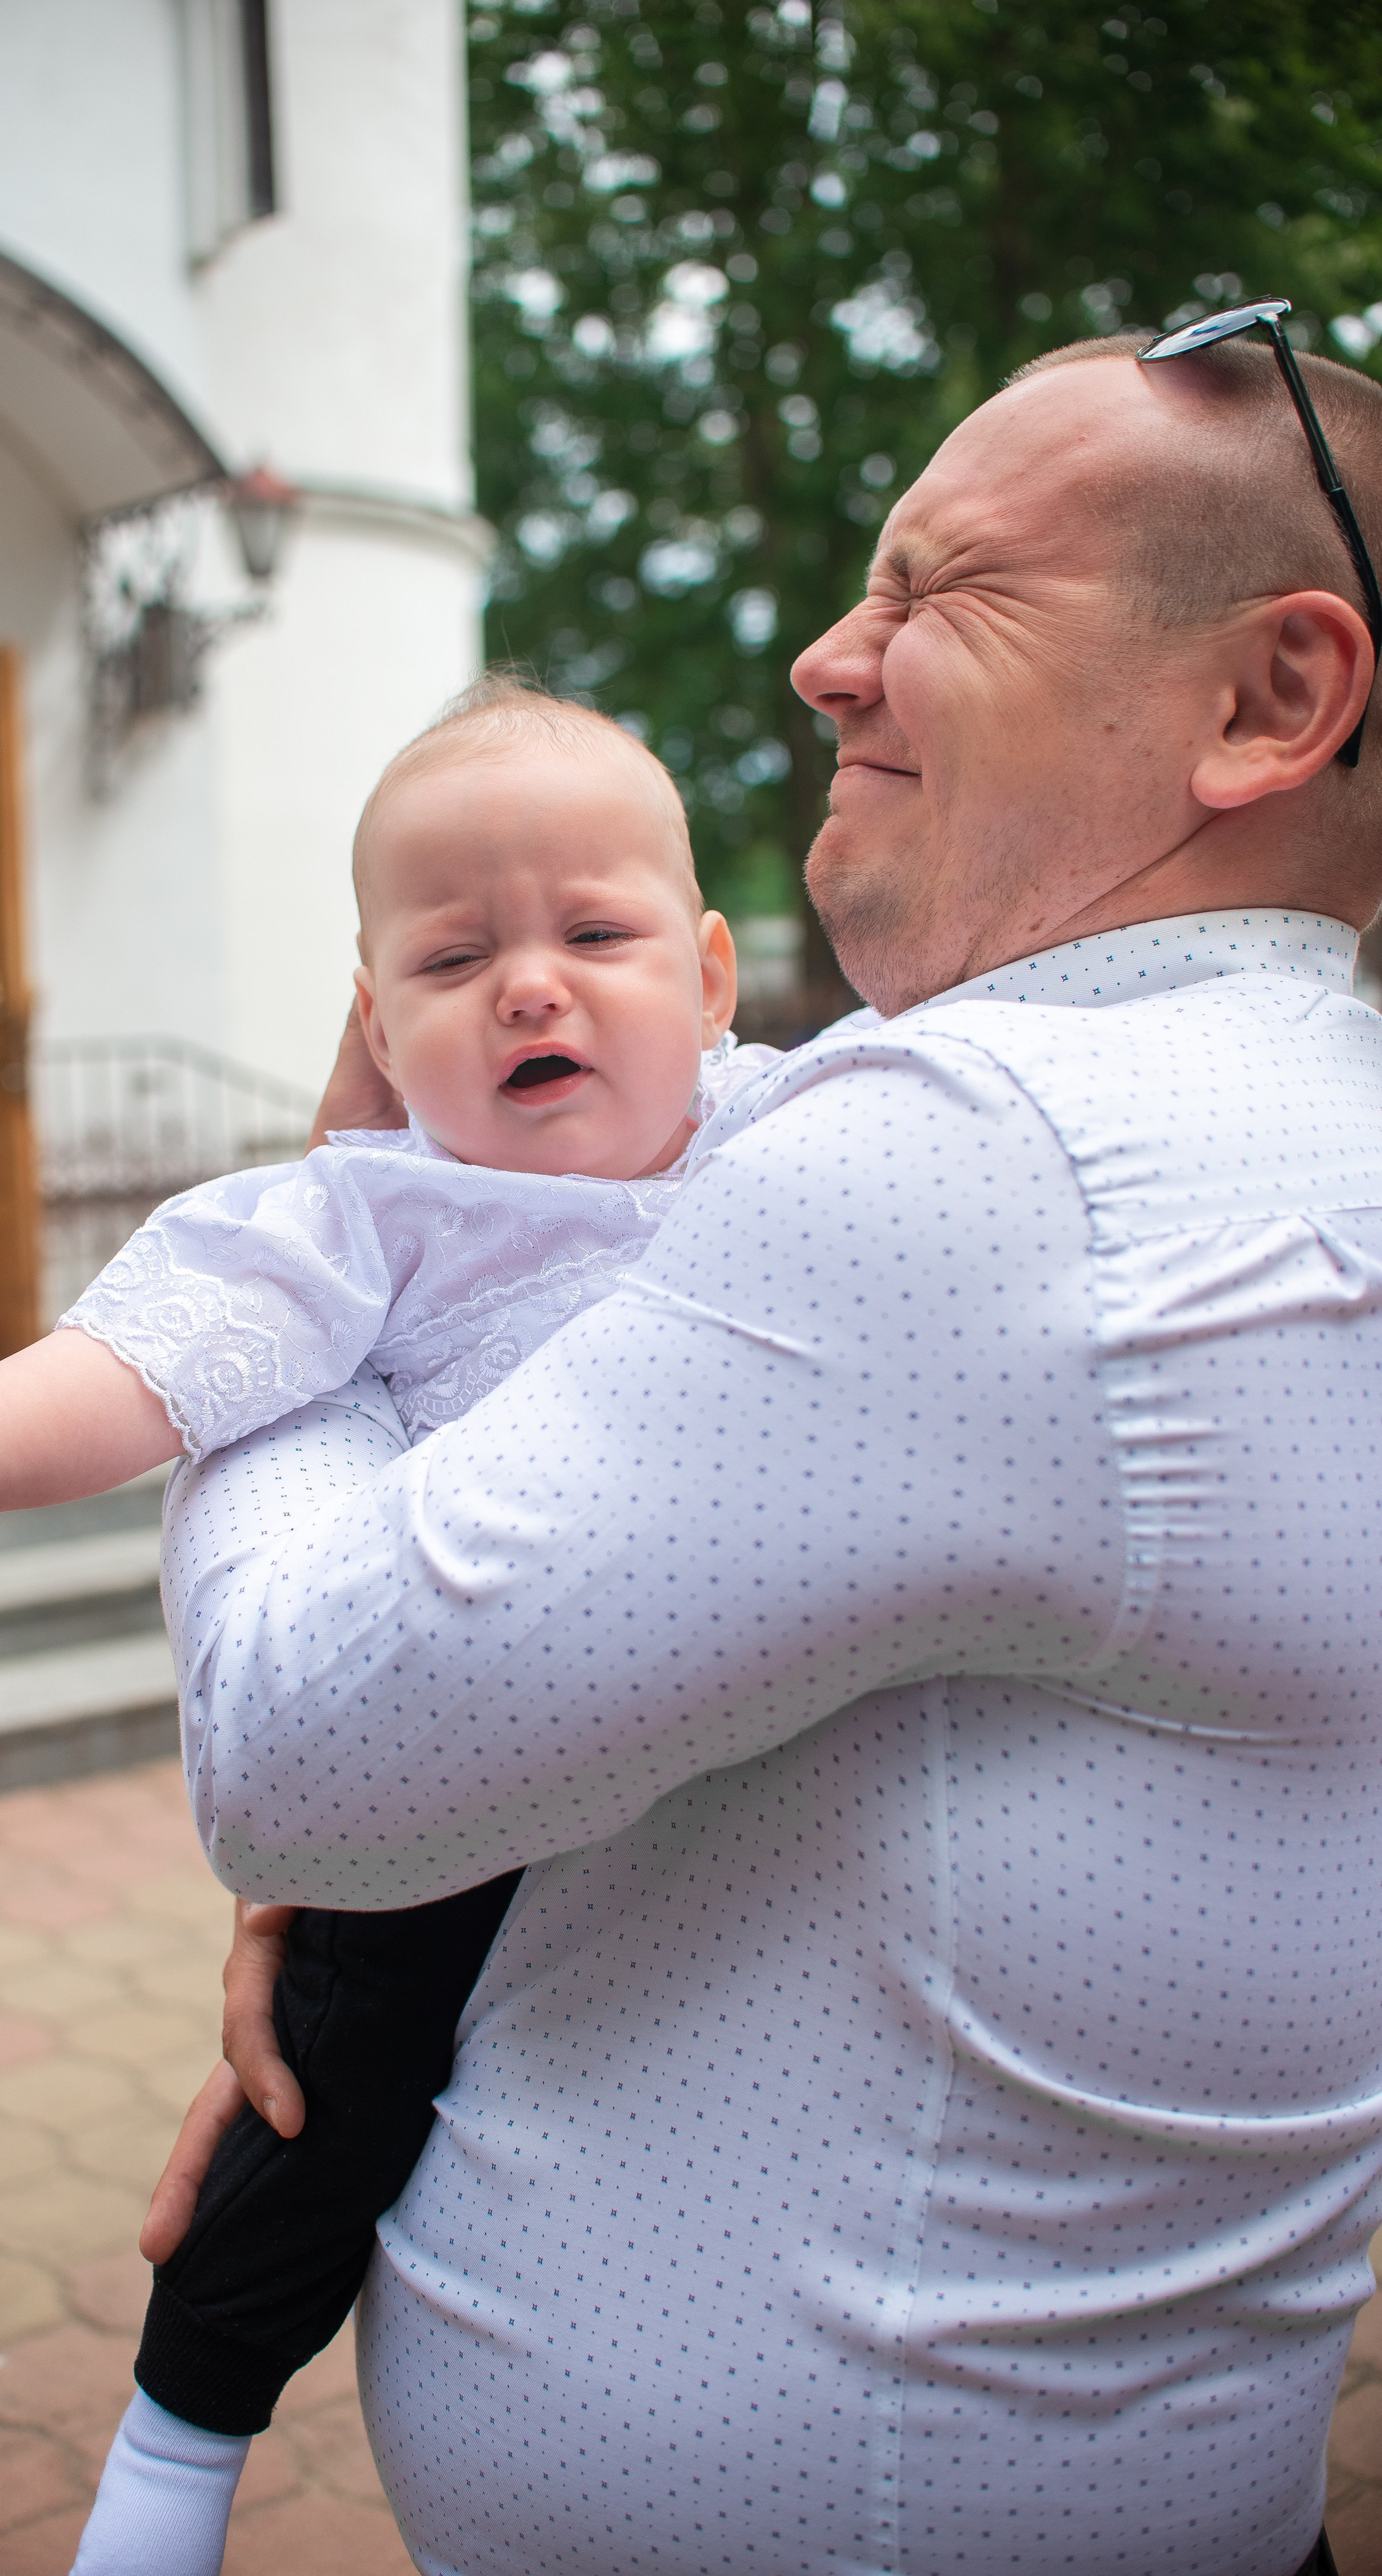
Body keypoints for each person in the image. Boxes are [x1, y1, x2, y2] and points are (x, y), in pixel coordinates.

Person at [140, 323, 1382, 2576]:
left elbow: (295, 1740)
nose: (830, 660)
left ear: (1268, 704)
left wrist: (315, 1261)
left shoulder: (998, 1160)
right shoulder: (1298, 1121)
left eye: (941, 594)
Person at [0, 678, 769, 2575]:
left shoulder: (793, 1143)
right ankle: (172, 2457)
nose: (532, 985)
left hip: (726, 1779)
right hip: (456, 1765)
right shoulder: (364, 1221)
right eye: (456, 957)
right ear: (377, 1025)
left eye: (598, 933)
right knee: (313, 2088)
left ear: (714, 975)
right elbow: (134, 1371)